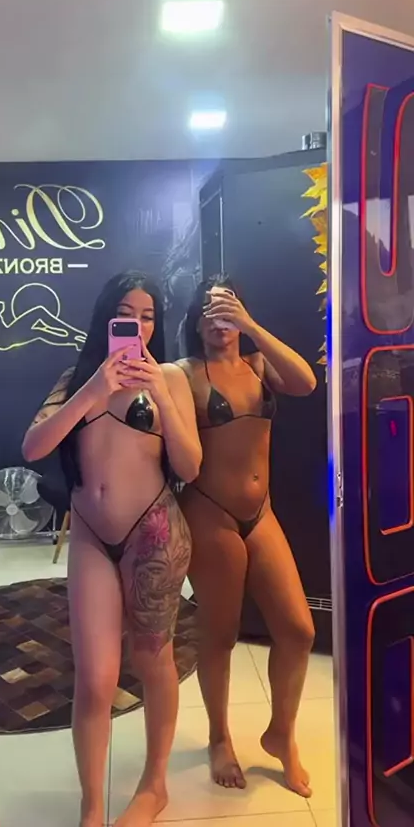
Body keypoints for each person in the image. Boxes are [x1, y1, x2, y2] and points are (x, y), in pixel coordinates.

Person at [22, 271, 202, 827]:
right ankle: (91, 806)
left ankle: (154, 785)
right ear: (107, 318)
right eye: (127, 314)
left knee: (153, 661)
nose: (138, 326)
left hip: (153, 534)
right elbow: (33, 448)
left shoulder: (169, 378)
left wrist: (160, 395)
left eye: (148, 317)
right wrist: (94, 391)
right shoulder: (77, 379)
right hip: (92, 539)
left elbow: (191, 466)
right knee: (96, 678)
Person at [176, 275, 317, 797]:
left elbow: (306, 382)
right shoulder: (185, 373)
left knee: (299, 630)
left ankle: (281, 734)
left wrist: (252, 325)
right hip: (209, 513)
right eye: (209, 311)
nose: (219, 320)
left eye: (227, 309)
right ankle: (219, 738)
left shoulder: (260, 365)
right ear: (195, 323)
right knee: (220, 635)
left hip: (262, 513)